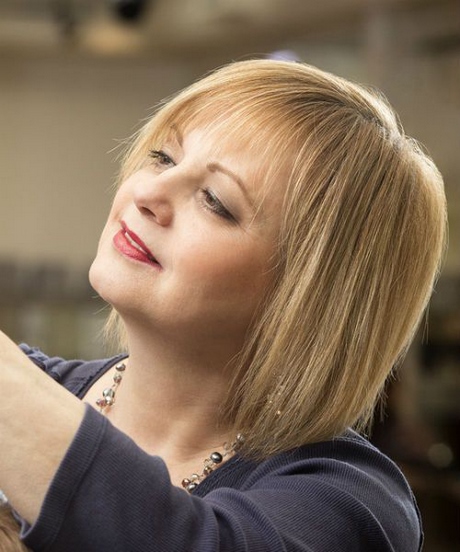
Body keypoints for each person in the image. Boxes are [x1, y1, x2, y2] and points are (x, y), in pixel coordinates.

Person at [0, 58, 447, 551]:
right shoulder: (33, 383)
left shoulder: (345, 503)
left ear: (306, 295)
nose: (149, 193)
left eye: (215, 200)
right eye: (163, 158)